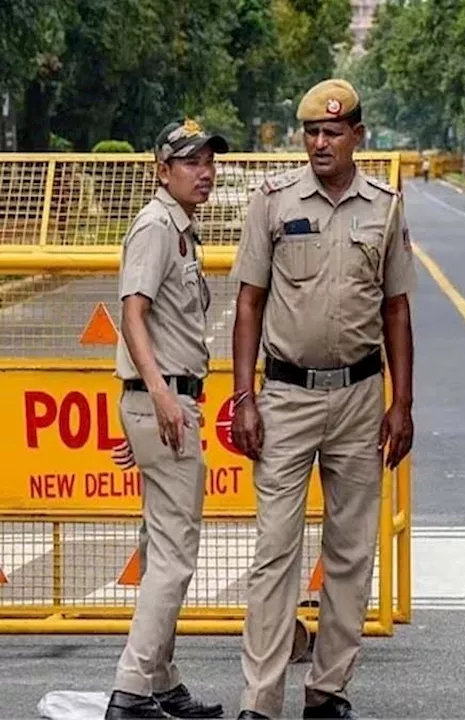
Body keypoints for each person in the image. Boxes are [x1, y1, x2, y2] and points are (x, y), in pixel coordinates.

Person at [229, 78, 418, 720]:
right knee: (274, 552)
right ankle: (260, 702)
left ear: (357, 136)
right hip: (285, 396)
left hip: (363, 398)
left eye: (332, 132)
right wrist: (243, 398)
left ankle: (328, 692)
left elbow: (397, 309)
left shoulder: (385, 208)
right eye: (311, 132)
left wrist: (403, 402)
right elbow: (248, 302)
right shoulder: (273, 202)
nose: (319, 143)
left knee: (351, 553)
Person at [106, 119, 228, 720]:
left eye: (208, 161)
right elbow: (132, 314)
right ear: (162, 170)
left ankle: (160, 682)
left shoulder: (182, 229)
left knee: (160, 549)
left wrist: (144, 406)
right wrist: (157, 398)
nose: (204, 171)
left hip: (165, 403)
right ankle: (132, 690)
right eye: (190, 162)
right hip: (168, 403)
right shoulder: (156, 227)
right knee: (176, 554)